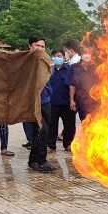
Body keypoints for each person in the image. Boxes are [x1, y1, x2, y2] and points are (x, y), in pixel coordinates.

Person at [27, 36, 55, 173]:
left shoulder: (46, 60)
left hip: (46, 101)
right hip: (34, 103)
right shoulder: (25, 62)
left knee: (44, 132)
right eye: (37, 45)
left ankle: (35, 160)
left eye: (43, 47)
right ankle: (39, 161)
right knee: (40, 131)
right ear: (30, 46)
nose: (40, 49)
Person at [46, 49, 76, 152]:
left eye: (59, 56)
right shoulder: (49, 70)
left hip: (67, 103)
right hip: (52, 103)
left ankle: (68, 144)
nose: (57, 58)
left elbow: (73, 85)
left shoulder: (70, 70)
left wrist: (73, 101)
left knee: (69, 125)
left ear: (64, 57)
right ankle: (51, 145)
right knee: (51, 125)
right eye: (55, 56)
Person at [70, 48, 98, 121]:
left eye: (88, 53)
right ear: (81, 55)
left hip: (95, 100)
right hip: (81, 101)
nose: (87, 55)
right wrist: (71, 100)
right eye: (85, 53)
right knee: (85, 122)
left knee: (97, 122)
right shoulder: (74, 67)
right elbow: (72, 85)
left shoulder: (95, 67)